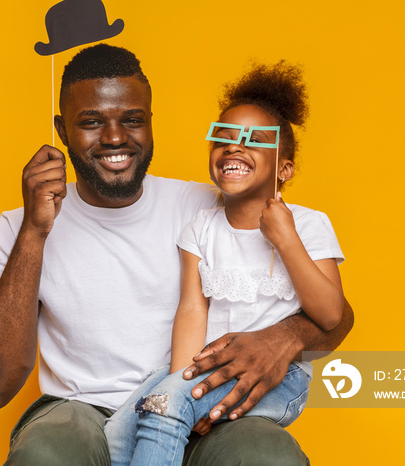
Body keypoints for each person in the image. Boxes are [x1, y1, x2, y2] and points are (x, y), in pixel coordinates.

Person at [0, 44, 354, 465]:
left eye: (132, 120)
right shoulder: (18, 229)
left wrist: (283, 339)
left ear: (150, 124)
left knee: (265, 454)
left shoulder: (215, 208)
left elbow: (337, 317)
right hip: (81, 412)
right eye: (91, 122)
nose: (114, 137)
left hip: (202, 408)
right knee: (46, 453)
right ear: (61, 130)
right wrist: (35, 234)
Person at [105, 61, 344, 466]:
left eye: (254, 140)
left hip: (280, 379)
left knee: (163, 413)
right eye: (224, 139)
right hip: (203, 366)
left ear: (284, 169)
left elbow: (331, 314)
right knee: (116, 436)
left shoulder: (308, 224)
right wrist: (181, 380)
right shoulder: (201, 227)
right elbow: (193, 308)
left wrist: (286, 240)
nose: (235, 147)